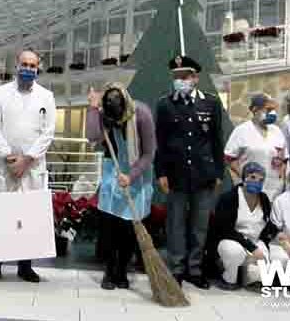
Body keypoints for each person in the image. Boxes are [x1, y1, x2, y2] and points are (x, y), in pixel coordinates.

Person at [0, 49, 56, 283]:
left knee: (29, 217)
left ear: (38, 69)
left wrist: (27, 159)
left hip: (31, 167)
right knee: (1, 216)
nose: (28, 69)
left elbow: (48, 133)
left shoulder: (47, 96)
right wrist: (8, 156)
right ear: (17, 66)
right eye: (24, 64)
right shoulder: (0, 93)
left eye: (32, 65)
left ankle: (26, 266)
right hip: (4, 166)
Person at [156, 55, 225, 289]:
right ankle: (176, 268)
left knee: (199, 225)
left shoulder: (211, 103)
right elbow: (161, 142)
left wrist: (218, 173)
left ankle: (194, 269)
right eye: (176, 77)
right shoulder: (165, 104)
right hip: (175, 175)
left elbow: (217, 140)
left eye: (184, 76)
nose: (180, 80)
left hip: (203, 174)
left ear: (195, 78)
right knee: (175, 224)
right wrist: (161, 173)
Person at [86, 83, 156, 290]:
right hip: (113, 170)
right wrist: (92, 108)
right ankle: (109, 270)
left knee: (128, 227)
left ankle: (122, 270)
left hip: (137, 172)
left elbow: (149, 153)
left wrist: (131, 176)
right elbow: (92, 136)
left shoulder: (142, 114)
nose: (116, 122)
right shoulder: (105, 113)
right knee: (109, 225)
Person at [206, 162, 278, 291]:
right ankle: (228, 278)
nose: (257, 182)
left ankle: (248, 277)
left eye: (261, 179)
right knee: (234, 252)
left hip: (255, 240)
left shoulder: (264, 199)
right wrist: (252, 247)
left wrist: (268, 240)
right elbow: (225, 230)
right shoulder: (229, 198)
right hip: (231, 240)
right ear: (244, 178)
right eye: (252, 177)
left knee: (264, 271)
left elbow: (268, 225)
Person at [225, 93, 287, 200]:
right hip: (250, 187)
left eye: (273, 109)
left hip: (274, 189)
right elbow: (229, 158)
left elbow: (285, 158)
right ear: (255, 109)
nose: (272, 113)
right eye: (268, 109)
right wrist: (244, 176)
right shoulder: (242, 131)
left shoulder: (277, 131)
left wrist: (282, 178)